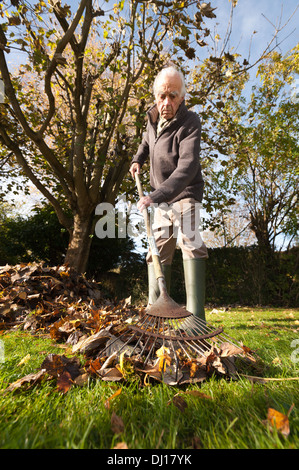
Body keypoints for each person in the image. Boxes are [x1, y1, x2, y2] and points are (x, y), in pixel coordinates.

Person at [129, 66, 208, 321]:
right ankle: (157, 313)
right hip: (160, 198)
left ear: (182, 98)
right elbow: (145, 142)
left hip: (184, 193)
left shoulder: (190, 121)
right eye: (162, 96)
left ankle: (196, 318)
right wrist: (137, 159)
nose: (167, 102)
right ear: (155, 97)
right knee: (157, 251)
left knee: (190, 245)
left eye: (173, 96)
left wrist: (156, 195)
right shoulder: (152, 120)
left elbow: (187, 167)